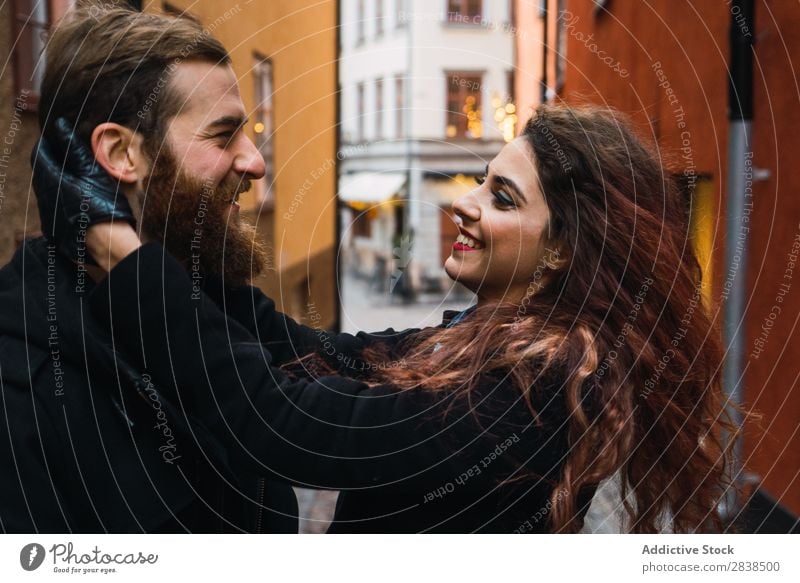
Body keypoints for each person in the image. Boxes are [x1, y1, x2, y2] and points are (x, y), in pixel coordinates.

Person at [41, 100, 738, 533]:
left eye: (501, 197)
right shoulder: (481, 344)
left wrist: (117, 250)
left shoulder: (542, 385)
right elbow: (312, 351)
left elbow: (285, 425)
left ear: (559, 249)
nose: (464, 204)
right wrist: (174, 249)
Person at [0, 4, 297, 532]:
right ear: (120, 152)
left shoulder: (217, 300)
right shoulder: (23, 384)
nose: (255, 162)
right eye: (223, 134)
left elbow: (345, 392)